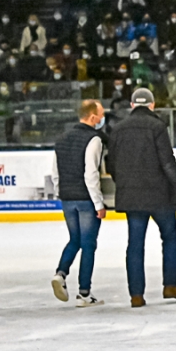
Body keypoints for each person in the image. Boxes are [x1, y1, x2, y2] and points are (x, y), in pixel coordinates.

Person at [106, 88, 176, 308]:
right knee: (170, 238)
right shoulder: (157, 126)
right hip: (160, 195)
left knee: (135, 244)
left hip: (132, 196)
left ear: (133, 105)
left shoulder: (118, 128)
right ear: (152, 105)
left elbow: (111, 164)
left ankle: (136, 295)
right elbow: (167, 161)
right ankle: (170, 285)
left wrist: (124, 184)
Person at [50, 100, 107, 307]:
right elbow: (91, 173)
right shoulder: (94, 139)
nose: (102, 118)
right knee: (89, 245)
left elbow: (55, 172)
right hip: (85, 199)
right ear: (92, 116)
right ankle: (84, 293)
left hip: (67, 198)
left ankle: (61, 273)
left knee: (75, 240)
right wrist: (98, 204)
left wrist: (61, 193)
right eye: (100, 115)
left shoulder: (62, 139)